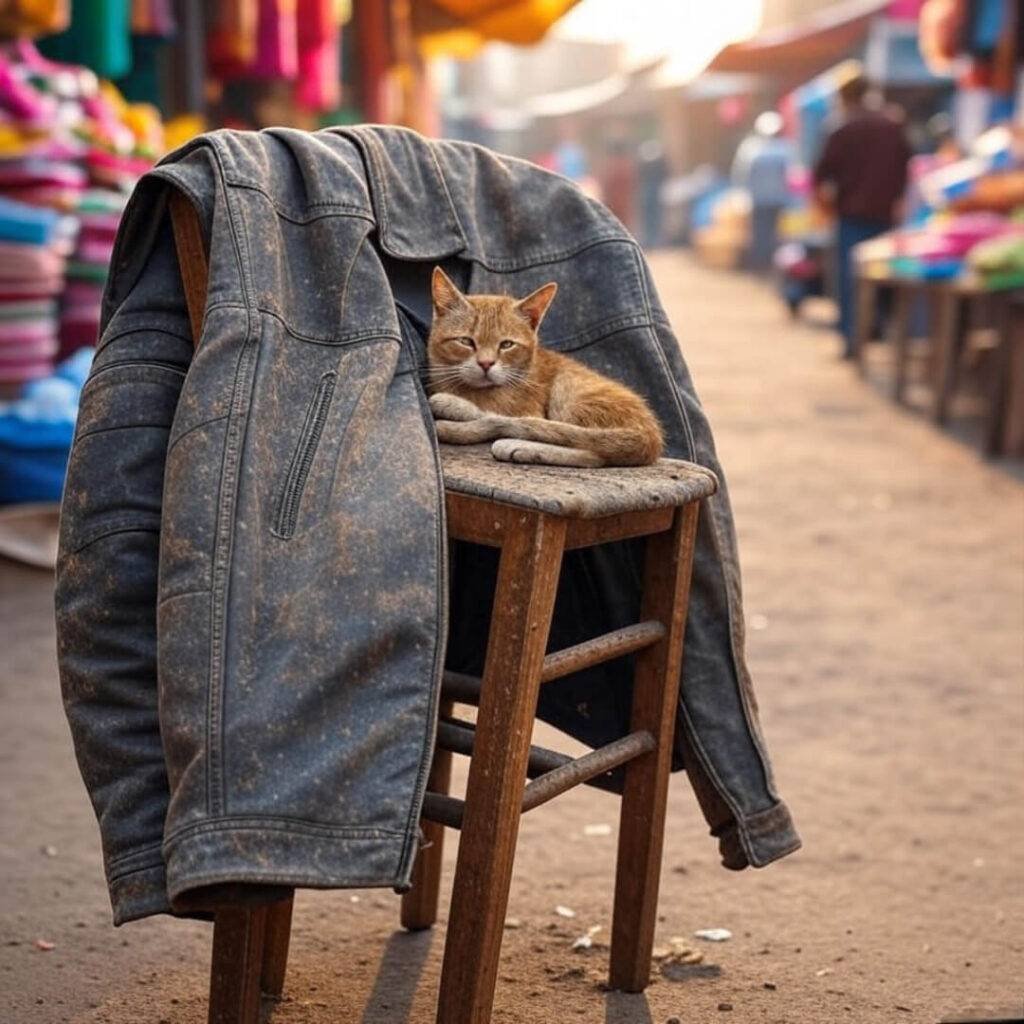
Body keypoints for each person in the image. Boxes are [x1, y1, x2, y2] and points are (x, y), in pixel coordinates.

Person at [813, 72, 911, 356]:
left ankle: (853, 341)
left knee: (849, 281)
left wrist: (827, 209)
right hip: (884, 216)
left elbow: (819, 177)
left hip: (851, 216)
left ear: (843, 96)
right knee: (883, 279)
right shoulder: (891, 126)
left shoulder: (841, 129)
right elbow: (906, 169)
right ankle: (879, 334)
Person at [731, 110, 793, 272]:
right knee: (770, 234)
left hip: (763, 199)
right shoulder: (783, 149)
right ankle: (768, 265)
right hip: (774, 199)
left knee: (762, 234)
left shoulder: (752, 149)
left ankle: (762, 265)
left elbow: (740, 174)